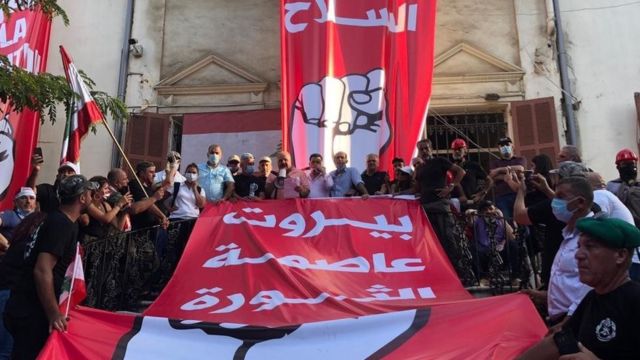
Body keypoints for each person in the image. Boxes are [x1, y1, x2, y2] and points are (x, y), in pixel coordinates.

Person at [519, 217, 640, 359]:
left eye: (590, 246)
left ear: (620, 255)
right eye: (579, 247)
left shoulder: (634, 300)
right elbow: (560, 341)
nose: (578, 255)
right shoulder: (593, 298)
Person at [4, 175, 97, 359]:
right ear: (82, 198)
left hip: (25, 305)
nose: (92, 196)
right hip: (31, 312)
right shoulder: (61, 224)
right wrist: (54, 314)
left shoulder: (57, 220)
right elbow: (42, 269)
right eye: (89, 192)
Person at [520, 176, 595, 327]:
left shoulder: (593, 237)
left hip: (577, 322)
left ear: (580, 202)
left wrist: (566, 323)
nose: (555, 202)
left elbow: (591, 289)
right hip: (562, 319)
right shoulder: (568, 235)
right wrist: (545, 296)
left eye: (560, 197)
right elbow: (571, 282)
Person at [414, 139, 465, 268]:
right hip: (426, 207)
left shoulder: (440, 161)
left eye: (426, 148)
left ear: (431, 149)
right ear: (418, 152)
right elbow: (416, 188)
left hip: (441, 205)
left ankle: (458, 269)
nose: (424, 151)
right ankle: (441, 268)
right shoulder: (419, 169)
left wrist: (450, 187)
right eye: (421, 149)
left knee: (449, 237)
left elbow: (460, 171)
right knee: (433, 240)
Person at [79, 176, 132, 243]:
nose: (108, 191)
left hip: (101, 244)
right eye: (106, 188)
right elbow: (105, 219)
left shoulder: (105, 204)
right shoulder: (89, 205)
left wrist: (126, 210)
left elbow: (118, 226)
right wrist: (119, 204)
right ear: (96, 190)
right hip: (89, 243)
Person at [489, 137, 526, 222]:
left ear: (512, 146)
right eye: (502, 146)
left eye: (507, 145)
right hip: (502, 197)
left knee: (522, 220)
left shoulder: (520, 159)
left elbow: (520, 168)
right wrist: (512, 172)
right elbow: (492, 175)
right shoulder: (494, 162)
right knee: (506, 222)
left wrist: (498, 170)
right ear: (498, 149)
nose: (505, 147)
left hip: (517, 195)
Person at [449, 138, 492, 209]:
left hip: (471, 203)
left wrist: (481, 194)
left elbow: (489, 181)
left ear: (465, 151)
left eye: (459, 149)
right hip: (454, 204)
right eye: (454, 149)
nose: (456, 151)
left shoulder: (473, 165)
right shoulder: (449, 168)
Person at [128, 161, 169, 231]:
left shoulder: (149, 186)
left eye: (154, 172)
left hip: (153, 227)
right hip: (140, 229)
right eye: (151, 172)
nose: (154, 175)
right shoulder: (135, 184)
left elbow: (167, 183)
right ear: (142, 173)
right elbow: (147, 203)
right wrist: (162, 216)